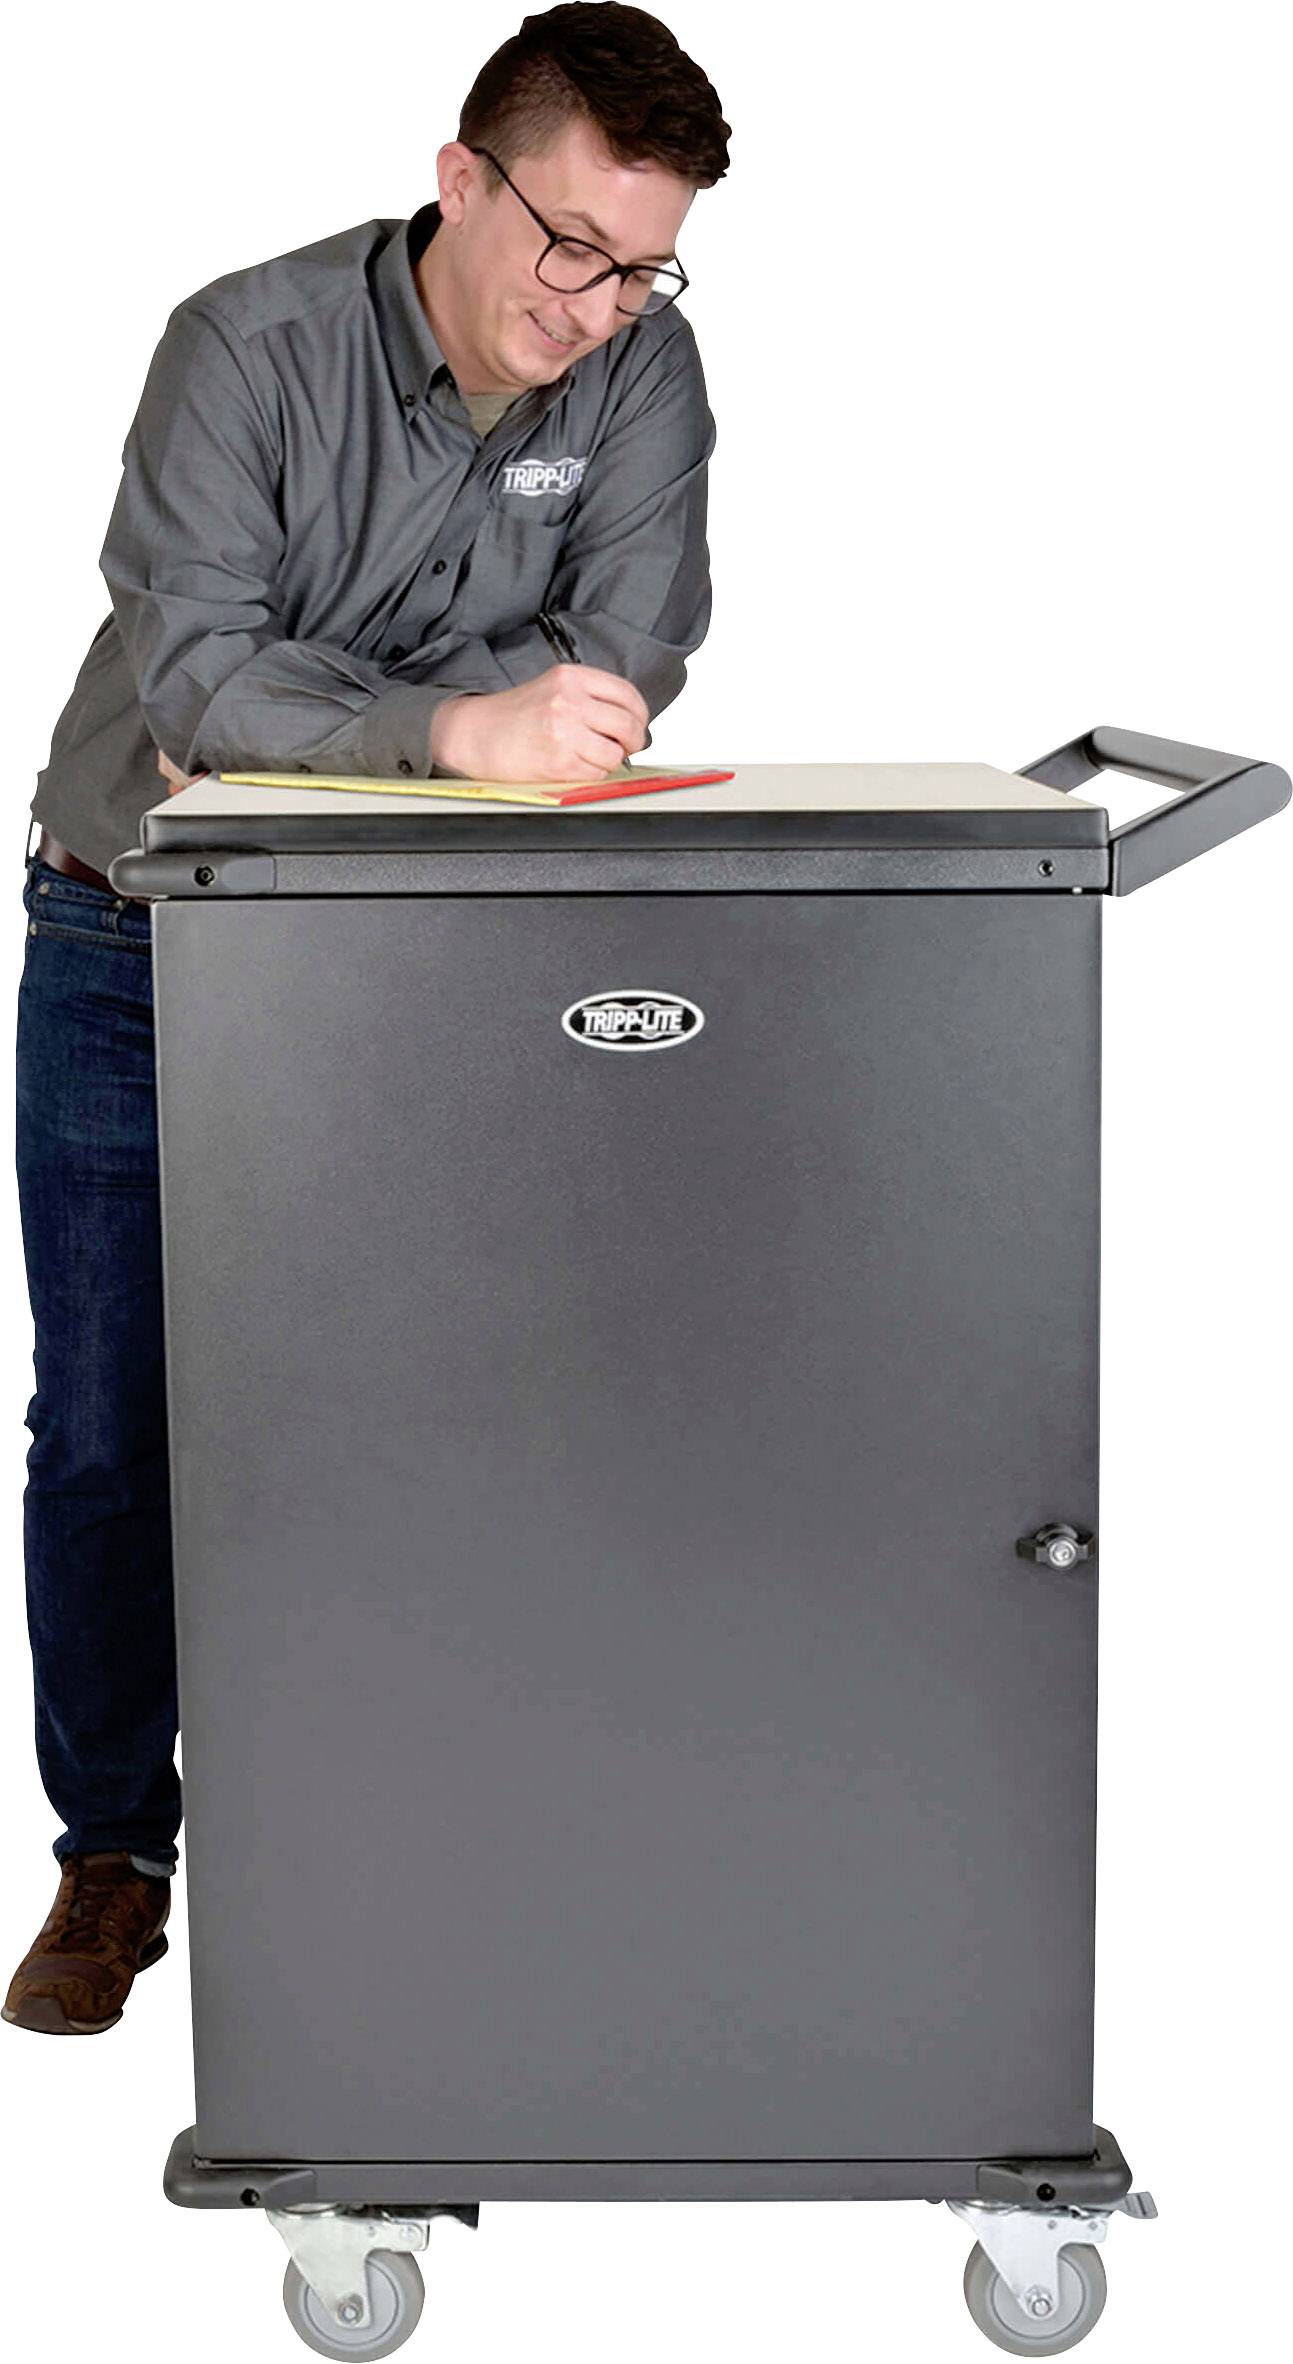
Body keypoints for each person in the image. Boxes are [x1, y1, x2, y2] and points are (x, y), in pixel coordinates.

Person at [5, 0, 729, 2035]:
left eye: (643, 266)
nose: (596, 306)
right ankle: (114, 1854)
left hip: (430, 950)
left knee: (429, 1403)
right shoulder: (243, 349)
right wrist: (458, 729)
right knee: (115, 1429)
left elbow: (621, 664)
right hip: (136, 939)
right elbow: (196, 680)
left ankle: (401, 1822)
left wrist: (417, 728)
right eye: (569, 244)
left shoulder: (646, 372)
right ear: (457, 179)